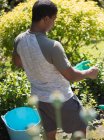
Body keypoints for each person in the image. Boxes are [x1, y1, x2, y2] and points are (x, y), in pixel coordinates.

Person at [12, 0, 98, 139]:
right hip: (62, 99)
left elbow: (17, 62)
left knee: (50, 133)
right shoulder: (53, 46)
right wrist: (89, 73)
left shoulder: (19, 40)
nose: (54, 23)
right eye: (53, 19)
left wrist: (37, 67)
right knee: (80, 127)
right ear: (46, 18)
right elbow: (72, 77)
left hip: (40, 99)